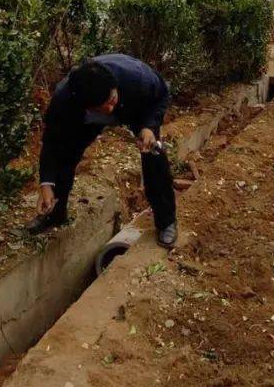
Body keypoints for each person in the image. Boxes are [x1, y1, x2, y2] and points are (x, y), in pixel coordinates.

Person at [27, 55, 178, 247]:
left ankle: (166, 221)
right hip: (88, 119)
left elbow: (162, 95)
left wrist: (148, 126)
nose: (109, 108)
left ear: (115, 87)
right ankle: (54, 213)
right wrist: (46, 184)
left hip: (134, 108)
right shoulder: (64, 101)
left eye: (111, 100)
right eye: (103, 106)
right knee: (65, 153)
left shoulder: (137, 78)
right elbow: (52, 142)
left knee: (153, 156)